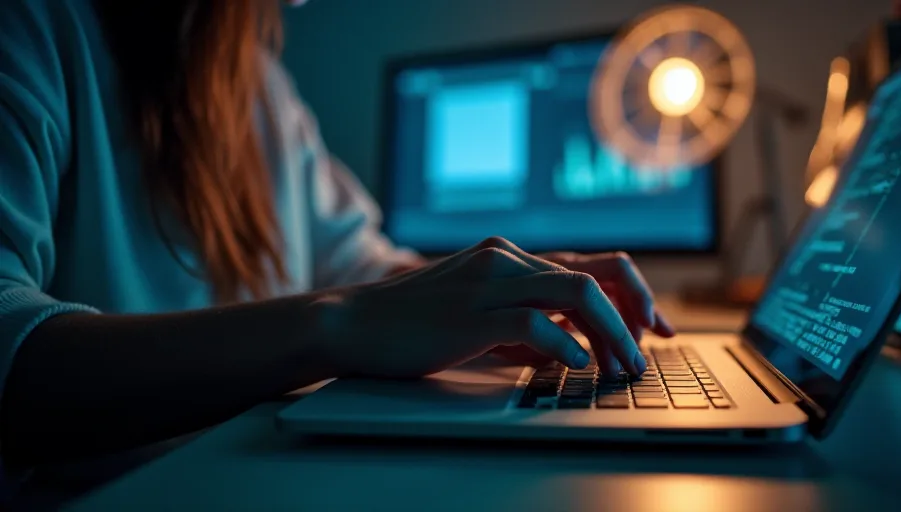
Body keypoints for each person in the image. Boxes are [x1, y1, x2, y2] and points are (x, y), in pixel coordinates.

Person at [0, 0, 675, 470]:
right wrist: (334, 324)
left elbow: (361, 263)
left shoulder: (264, 91)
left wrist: (505, 293)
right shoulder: (32, 25)